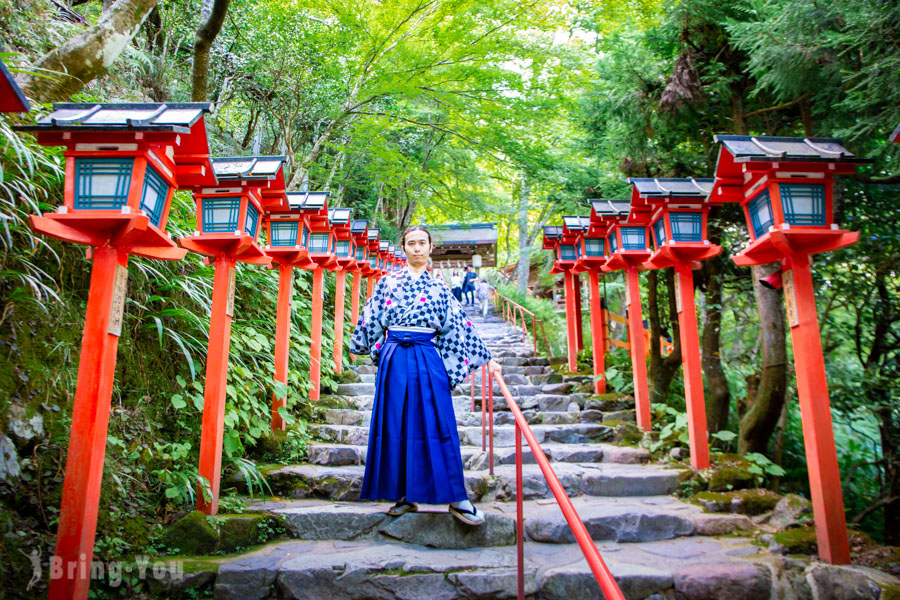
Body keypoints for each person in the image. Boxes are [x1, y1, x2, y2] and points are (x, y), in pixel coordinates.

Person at [350, 226, 502, 526]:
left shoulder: (440, 289)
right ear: (403, 248)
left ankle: (456, 498)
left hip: (428, 356)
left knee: (439, 421)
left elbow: (459, 327)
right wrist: (379, 348)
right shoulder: (387, 283)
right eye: (411, 243)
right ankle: (403, 495)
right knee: (396, 422)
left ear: (430, 248)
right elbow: (371, 321)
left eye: (422, 243)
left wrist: (489, 359)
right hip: (395, 358)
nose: (417, 248)